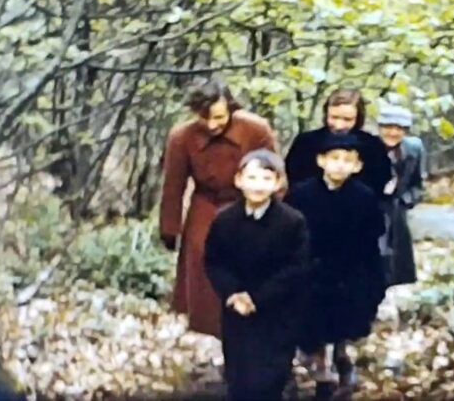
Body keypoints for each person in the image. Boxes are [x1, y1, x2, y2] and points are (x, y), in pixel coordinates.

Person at [159, 77, 277, 337]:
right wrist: (170, 228)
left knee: (251, 266)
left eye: (219, 117)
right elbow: (173, 186)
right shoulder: (182, 137)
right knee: (205, 267)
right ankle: (216, 335)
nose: (212, 125)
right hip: (206, 205)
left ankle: (252, 337)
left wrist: (277, 219)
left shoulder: (255, 130)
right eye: (205, 118)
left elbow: (275, 175)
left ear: (231, 108)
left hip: (249, 202)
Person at [285, 133, 386, 396]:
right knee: (312, 323)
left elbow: (371, 240)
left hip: (349, 271)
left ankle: (342, 359)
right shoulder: (301, 194)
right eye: (334, 159)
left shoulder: (364, 197)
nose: (340, 165)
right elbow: (291, 235)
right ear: (321, 161)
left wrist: (374, 280)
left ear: (357, 166)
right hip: (311, 270)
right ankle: (320, 371)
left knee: (345, 321)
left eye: (347, 160)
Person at [205, 150, 309, 401]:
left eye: (265, 178)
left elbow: (297, 266)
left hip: (277, 310)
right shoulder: (225, 220)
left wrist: (258, 298)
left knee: (270, 378)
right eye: (251, 178)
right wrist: (233, 293)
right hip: (237, 312)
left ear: (277, 183)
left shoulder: (292, 221)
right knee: (239, 376)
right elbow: (214, 261)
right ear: (238, 180)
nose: (258, 186)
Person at [285, 88, 392, 195]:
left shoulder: (372, 146)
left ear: (358, 118)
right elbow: (292, 178)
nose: (339, 125)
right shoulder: (306, 142)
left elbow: (379, 183)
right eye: (334, 117)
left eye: (347, 119)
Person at [377, 104, 426, 287]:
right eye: (388, 127)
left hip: (397, 213)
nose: (392, 133)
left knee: (397, 265)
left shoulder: (414, 148)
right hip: (370, 212)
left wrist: (404, 201)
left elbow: (419, 186)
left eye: (399, 128)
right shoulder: (367, 148)